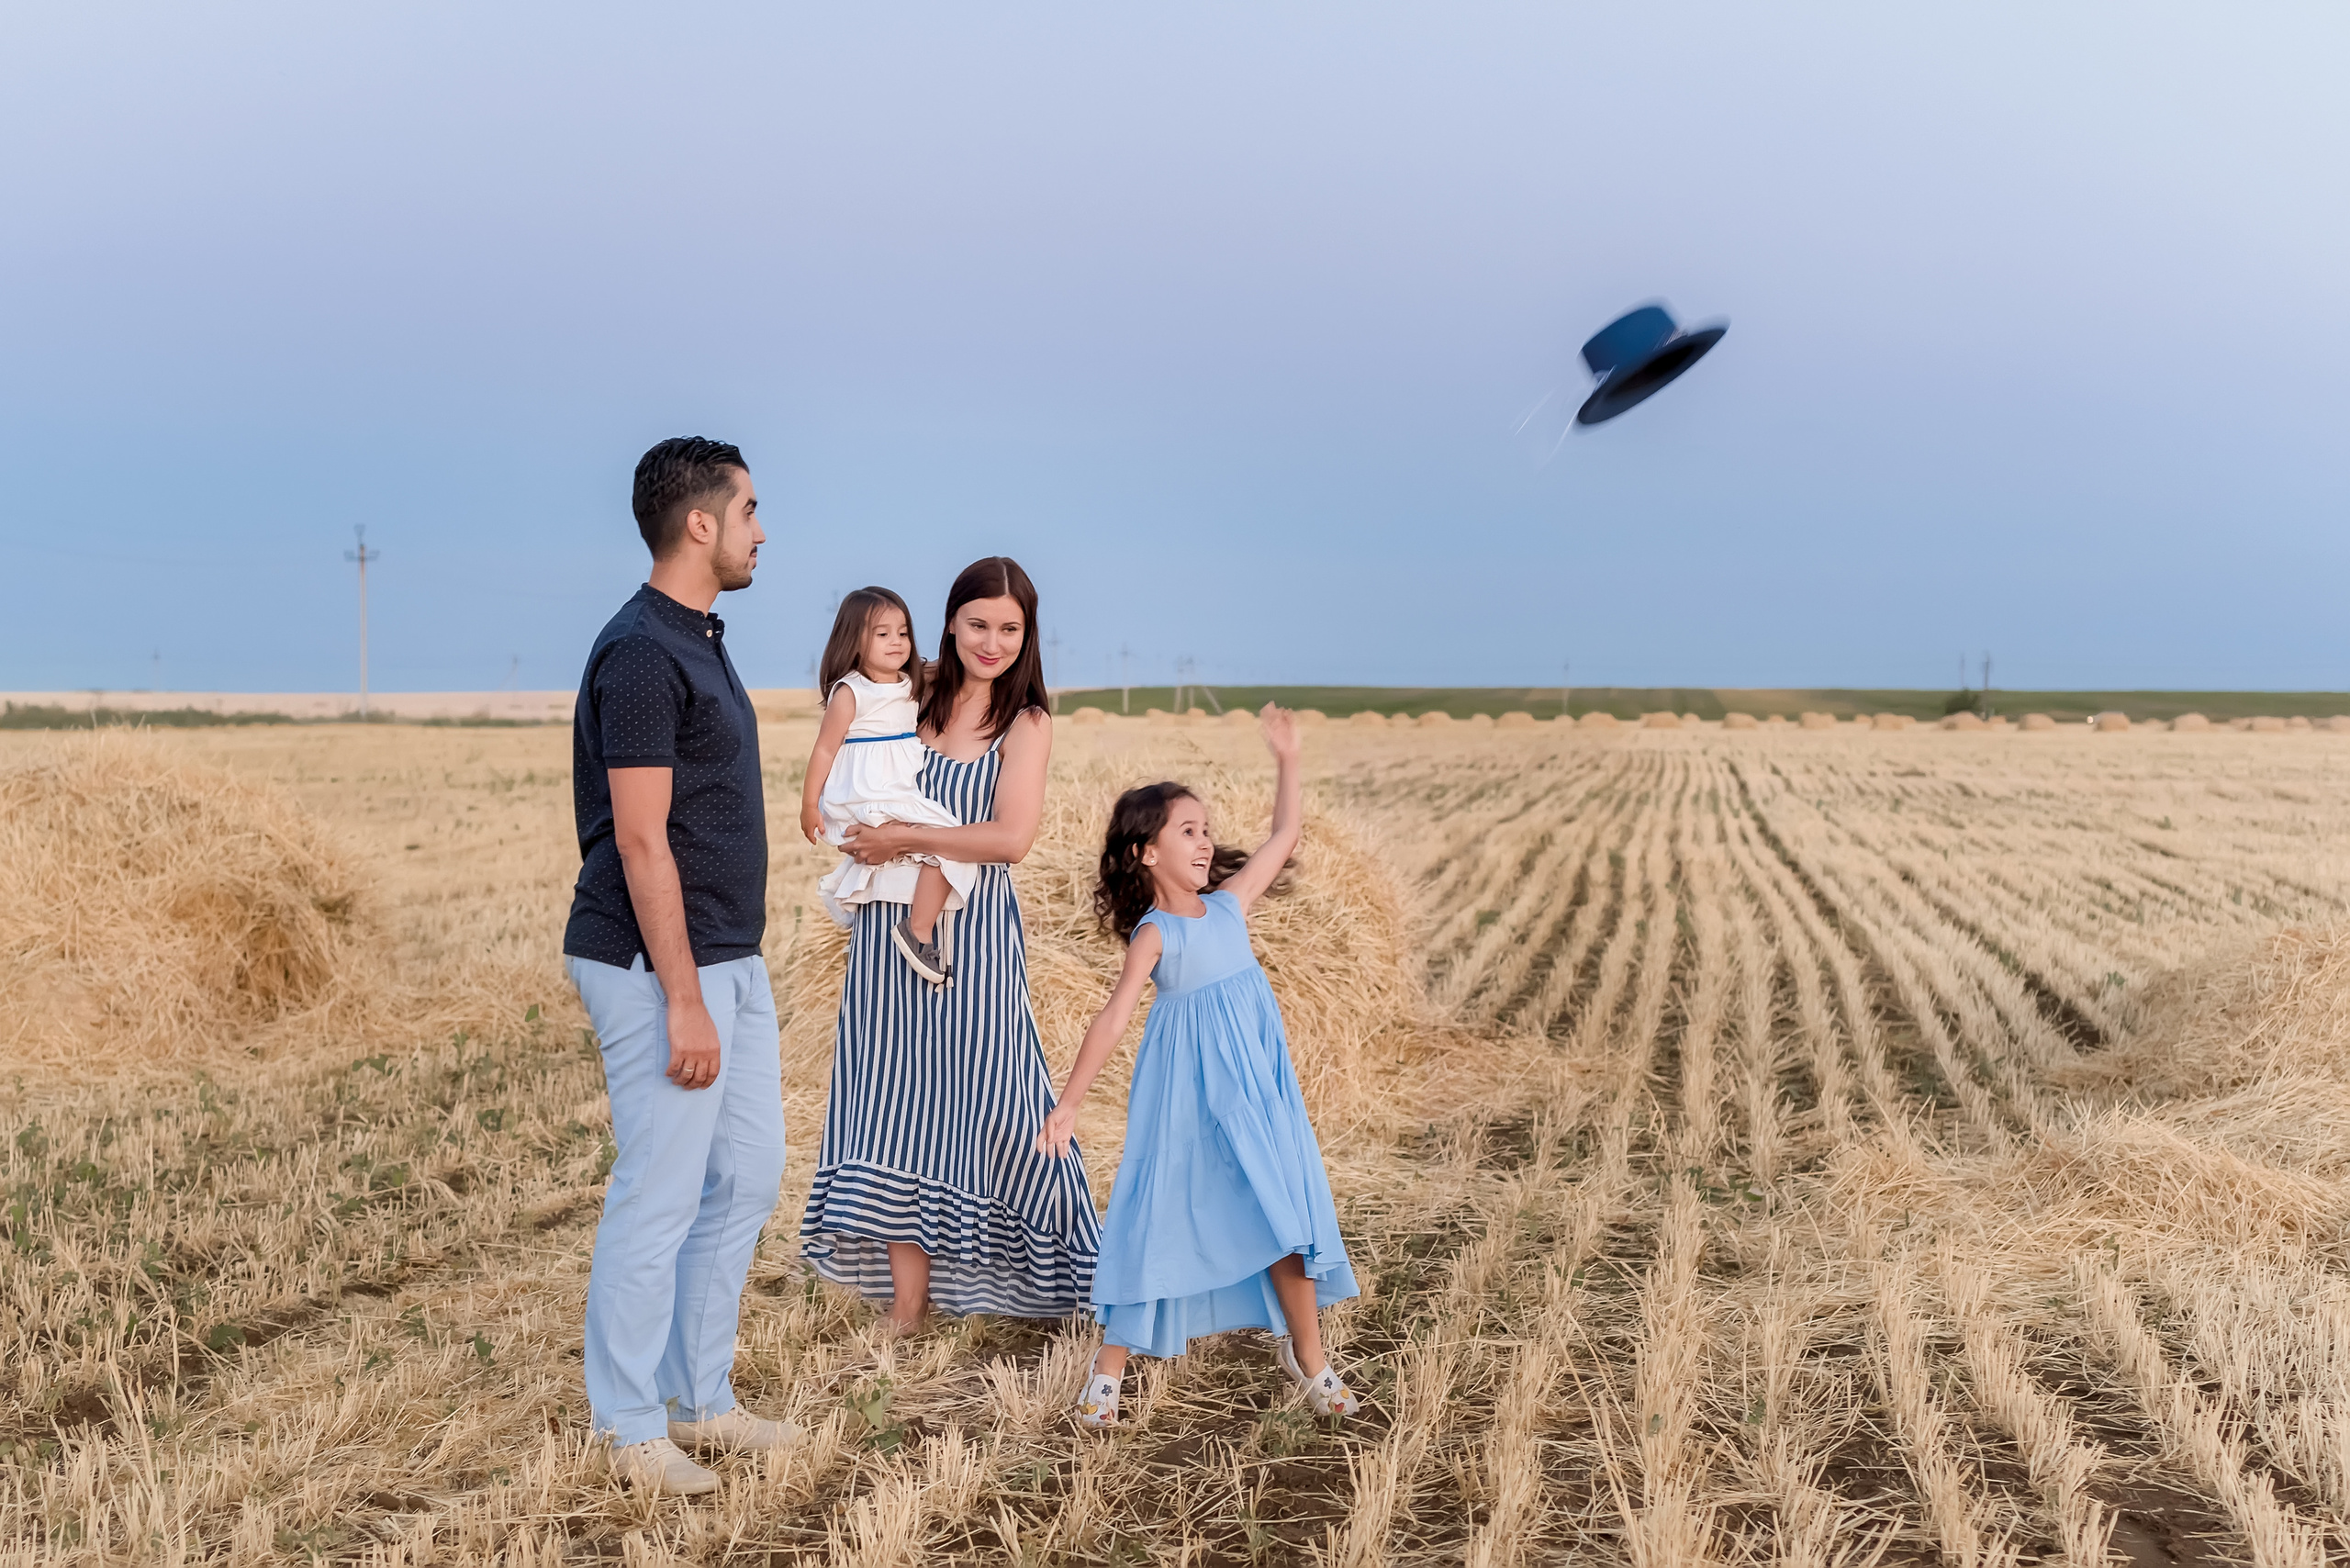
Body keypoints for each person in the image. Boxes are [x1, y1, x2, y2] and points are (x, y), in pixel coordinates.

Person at [562, 437, 791, 1496]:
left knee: (744, 1174)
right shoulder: (644, 651)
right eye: (748, 508)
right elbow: (642, 837)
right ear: (699, 523)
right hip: (658, 965)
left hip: (725, 957)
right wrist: (686, 996)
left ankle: (700, 1397)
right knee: (658, 1190)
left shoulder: (699, 635)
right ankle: (628, 1424)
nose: (759, 527)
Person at [1035, 707, 1362, 1430]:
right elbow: (1114, 1017)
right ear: (1146, 852)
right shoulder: (1156, 933)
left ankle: (1311, 1362)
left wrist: (1289, 759)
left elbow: (1284, 838)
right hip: (1187, 1101)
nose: (1206, 839)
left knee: (1285, 1219)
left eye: (1208, 828)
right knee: (1155, 1217)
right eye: (1188, 829)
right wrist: (1069, 1104)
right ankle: (1106, 1376)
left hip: (1255, 1096)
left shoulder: (1229, 908)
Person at [799, 556, 1100, 1329]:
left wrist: (905, 834)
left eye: (1009, 628)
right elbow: (843, 731)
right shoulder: (914, 690)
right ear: (951, 622)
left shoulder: (1026, 723)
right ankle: (909, 1303)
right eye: (977, 624)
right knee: (894, 1104)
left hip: (976, 941)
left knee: (1003, 1099)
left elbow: (1011, 838)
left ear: (1027, 634)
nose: (991, 642)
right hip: (884, 935)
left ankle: (1071, 1280)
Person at [800, 588, 976, 986]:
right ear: (854, 641)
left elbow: (947, 665)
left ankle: (879, 913)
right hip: (867, 791)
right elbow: (825, 750)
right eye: (882, 634)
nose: (896, 642)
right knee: (946, 839)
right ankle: (919, 930)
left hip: (896, 789)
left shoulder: (909, 682)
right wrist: (810, 804)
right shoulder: (851, 692)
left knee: (941, 844)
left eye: (903, 633)